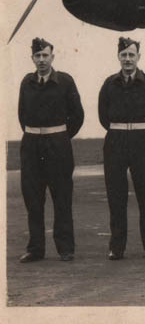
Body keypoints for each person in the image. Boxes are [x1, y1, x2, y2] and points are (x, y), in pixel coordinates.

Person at [98, 37, 145, 260]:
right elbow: (103, 116)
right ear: (118, 57)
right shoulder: (109, 84)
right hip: (116, 142)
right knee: (116, 196)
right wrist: (118, 131)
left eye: (131, 55)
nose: (127, 59)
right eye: (124, 55)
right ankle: (117, 247)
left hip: (143, 143)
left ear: (138, 57)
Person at [17, 37, 84, 262]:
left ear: (52, 57)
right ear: (32, 58)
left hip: (58, 147)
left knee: (61, 197)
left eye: (46, 55)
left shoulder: (65, 81)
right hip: (32, 147)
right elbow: (22, 115)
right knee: (33, 200)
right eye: (38, 56)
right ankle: (36, 249)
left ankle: (65, 248)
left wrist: (61, 137)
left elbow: (78, 115)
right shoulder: (26, 82)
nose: (42, 60)